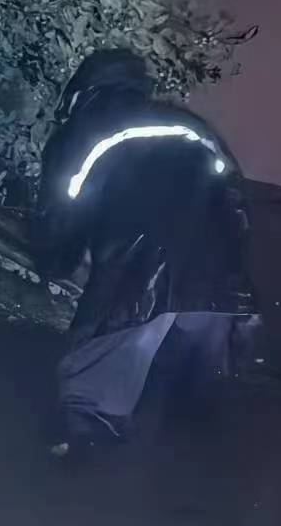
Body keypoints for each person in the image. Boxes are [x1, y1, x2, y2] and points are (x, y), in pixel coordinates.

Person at [32, 50, 260, 456]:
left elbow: (61, 215)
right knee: (195, 382)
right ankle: (197, 443)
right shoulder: (191, 127)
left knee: (96, 383)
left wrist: (54, 265)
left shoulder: (83, 132)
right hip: (217, 277)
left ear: (81, 93)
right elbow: (236, 201)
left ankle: (87, 438)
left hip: (141, 269)